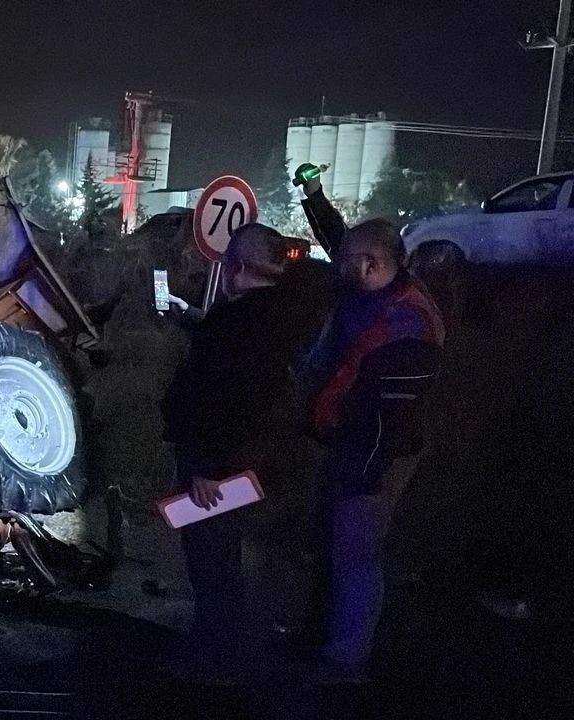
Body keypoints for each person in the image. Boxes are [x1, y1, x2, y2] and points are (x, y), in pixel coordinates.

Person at [294, 166, 446, 681]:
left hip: (376, 454)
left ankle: (346, 660)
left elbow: (390, 414)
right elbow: (340, 239)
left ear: (372, 264)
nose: (335, 270)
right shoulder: (373, 284)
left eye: (346, 265)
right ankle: (320, 637)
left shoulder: (411, 325)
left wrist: (364, 475)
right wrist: (313, 194)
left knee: (356, 554)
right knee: (328, 544)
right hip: (347, 442)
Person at [159, 223, 320, 681]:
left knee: (213, 561)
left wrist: (210, 468)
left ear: (239, 266)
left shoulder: (244, 323)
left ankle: (215, 658)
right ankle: (215, 647)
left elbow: (231, 399)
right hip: (234, 462)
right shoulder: (273, 315)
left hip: (214, 467)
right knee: (219, 556)